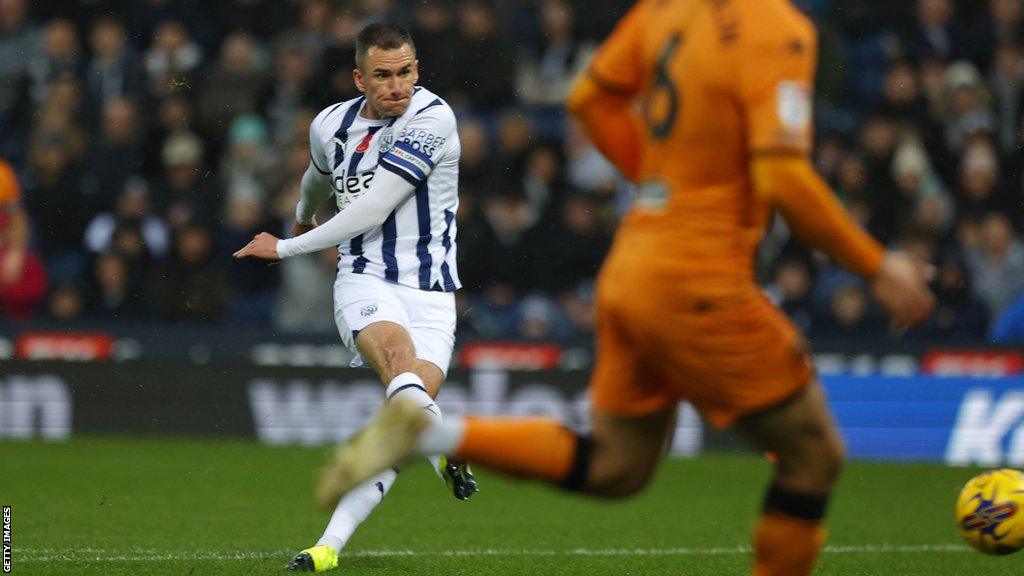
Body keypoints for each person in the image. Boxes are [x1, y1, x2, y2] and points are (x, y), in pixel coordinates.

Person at [307, 2, 936, 576]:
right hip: (701, 272)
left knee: (617, 466)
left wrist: (659, 186)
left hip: (636, 263)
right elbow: (785, 177)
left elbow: (589, 101)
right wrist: (876, 264)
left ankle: (436, 433)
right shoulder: (779, 29)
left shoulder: (663, 15)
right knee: (813, 452)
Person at [232, 23, 476, 573]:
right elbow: (318, 180)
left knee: (400, 422)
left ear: (418, 68)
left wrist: (288, 245)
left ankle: (326, 549)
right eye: (384, 76)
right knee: (398, 365)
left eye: (406, 72)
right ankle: (447, 445)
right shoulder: (329, 124)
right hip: (366, 278)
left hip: (434, 293)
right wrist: (299, 216)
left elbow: (373, 207)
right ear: (359, 78)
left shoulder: (434, 119)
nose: (397, 87)